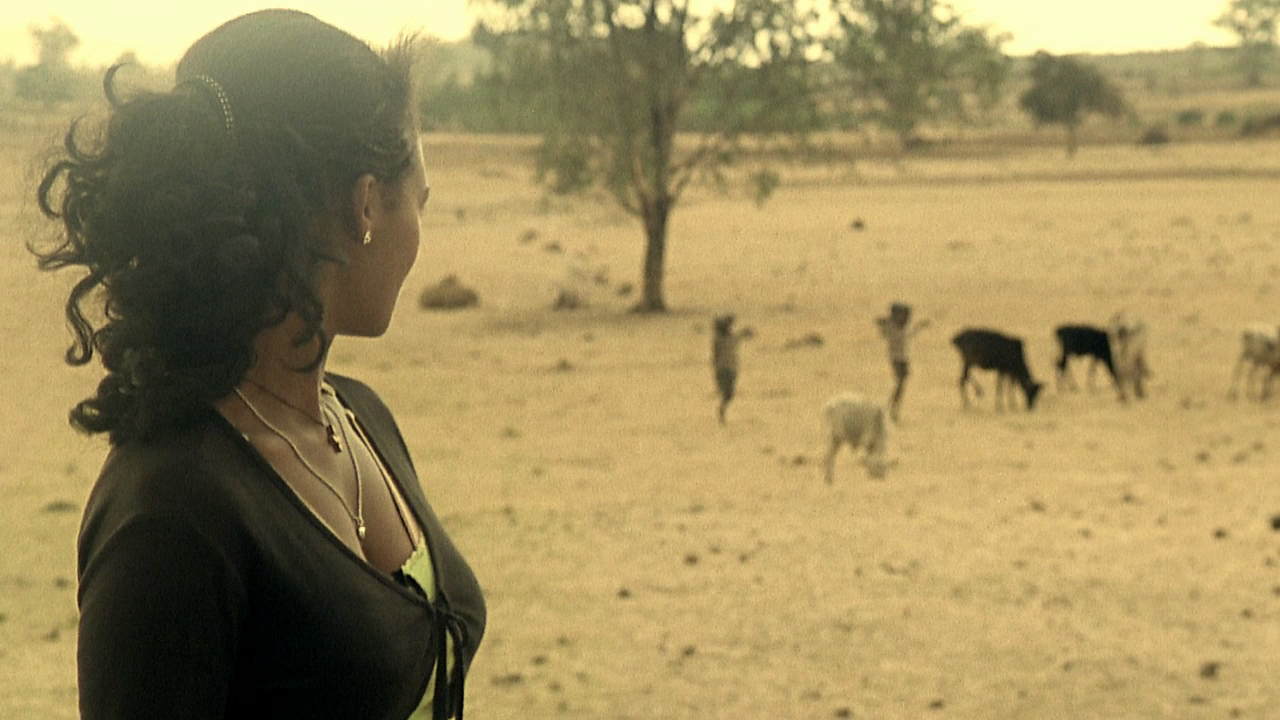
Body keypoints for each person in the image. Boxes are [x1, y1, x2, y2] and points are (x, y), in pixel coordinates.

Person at [33, 10, 484, 719]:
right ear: (367, 204)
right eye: (419, 202)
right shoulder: (170, 512)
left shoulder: (361, 418)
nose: (420, 232)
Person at [875, 301, 929, 422]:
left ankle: (892, 408)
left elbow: (909, 334)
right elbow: (885, 332)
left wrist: (920, 326)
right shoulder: (891, 327)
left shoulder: (903, 327)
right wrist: (885, 323)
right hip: (896, 359)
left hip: (904, 358)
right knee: (900, 383)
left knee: (901, 385)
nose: (906, 318)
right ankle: (891, 408)